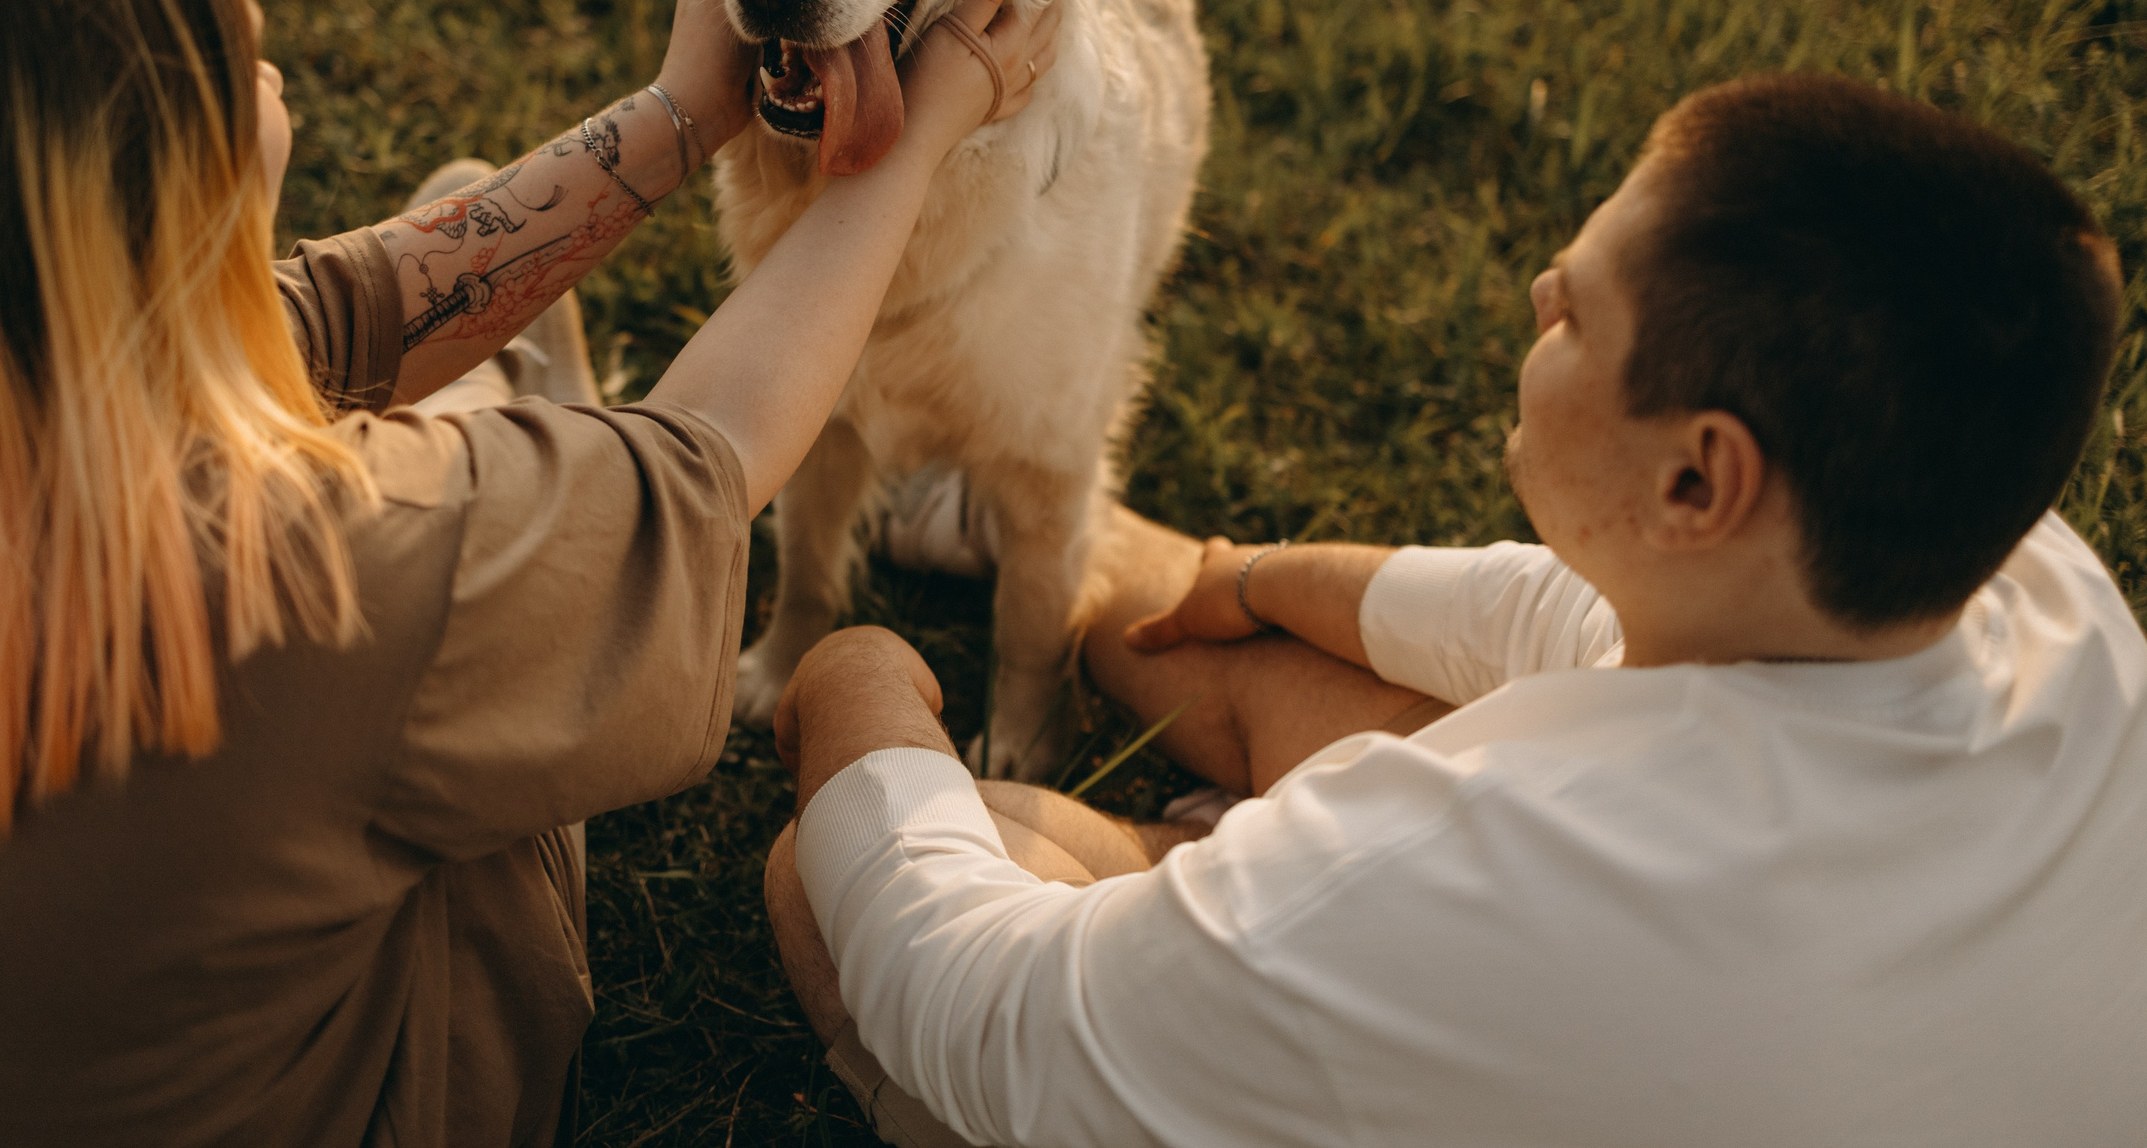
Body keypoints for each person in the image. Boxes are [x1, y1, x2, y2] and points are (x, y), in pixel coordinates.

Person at [0, 0, 1057, 1146]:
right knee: (476, 471)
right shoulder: (328, 580)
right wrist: (914, 139)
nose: (269, 54)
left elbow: (323, 317)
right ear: (148, 130)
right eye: (238, 30)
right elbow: (699, 465)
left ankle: (511, 401)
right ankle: (535, 424)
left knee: (433, 300)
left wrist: (680, 119)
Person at [766, 74, 2146, 1148]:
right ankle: (1081, 588)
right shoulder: (2037, 588)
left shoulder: (1477, 876)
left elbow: (987, 1013)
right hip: (1667, 1008)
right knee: (1281, 650)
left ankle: (1189, 922)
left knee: (828, 878)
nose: (1540, 291)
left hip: (1490, 960)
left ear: (1698, 479)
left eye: (1577, 312)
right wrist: (1250, 578)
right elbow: (1551, 615)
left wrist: (856, 678)